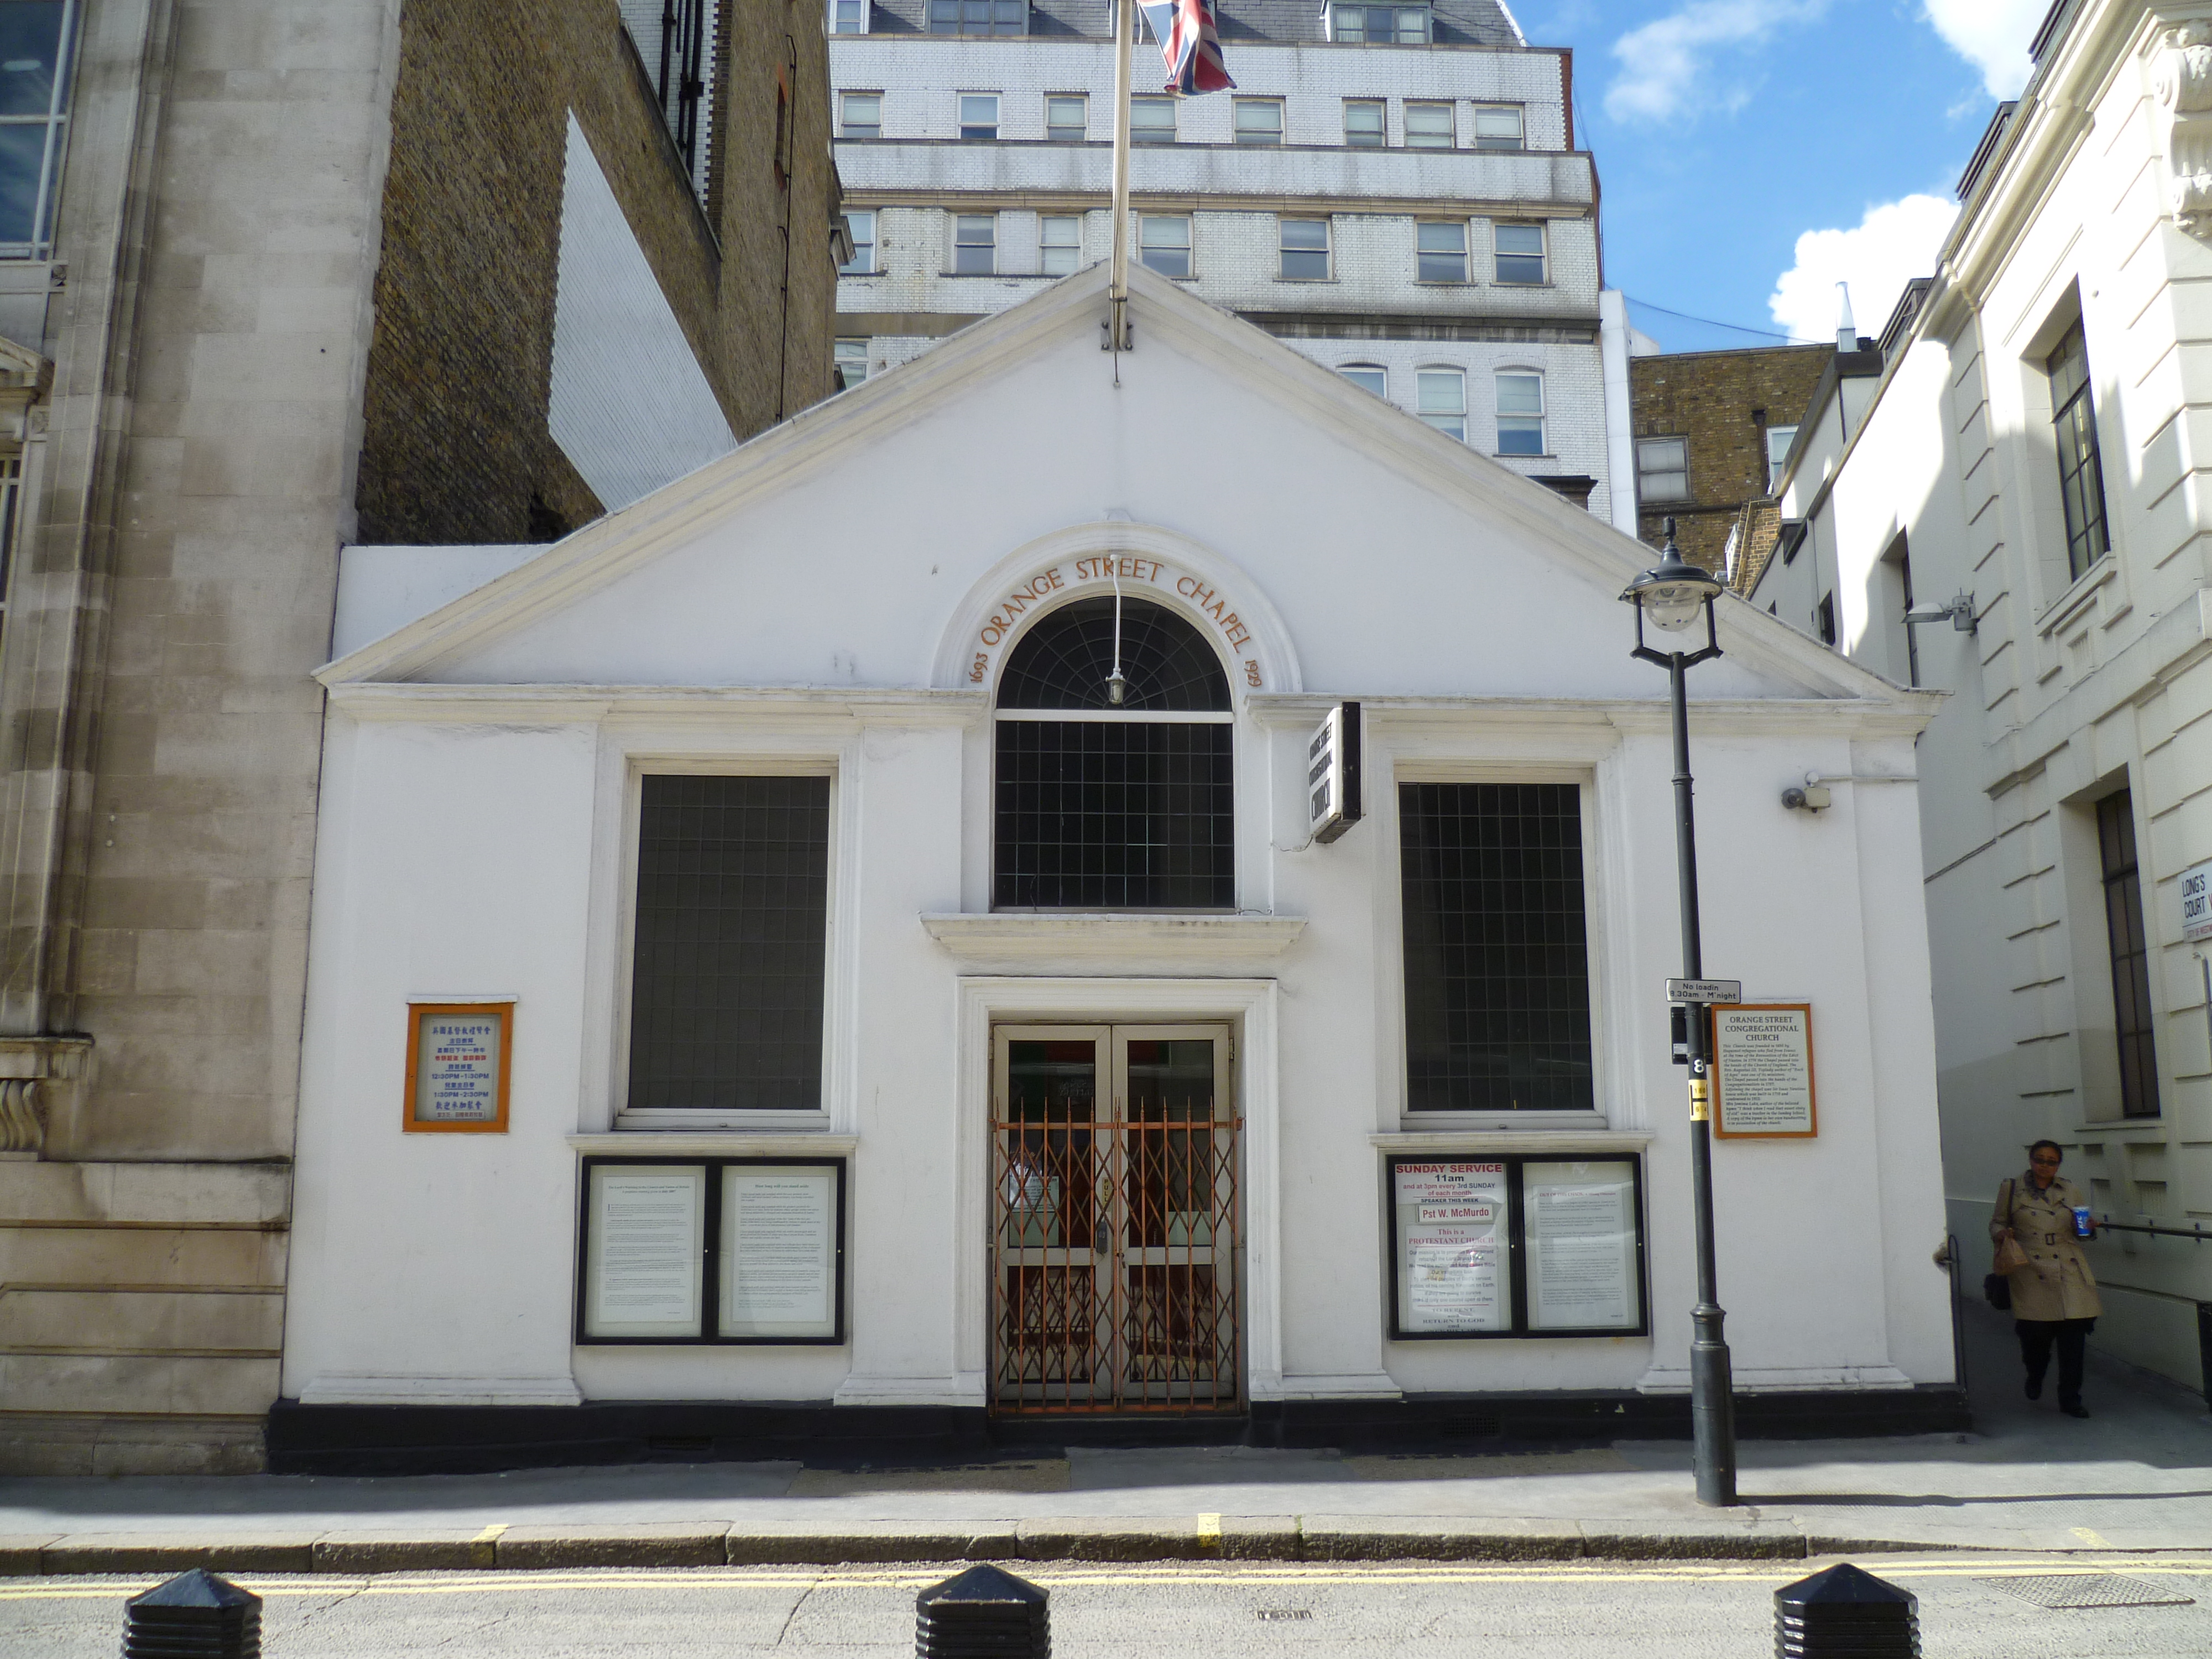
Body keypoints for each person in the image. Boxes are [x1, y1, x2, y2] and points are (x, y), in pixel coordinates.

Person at [1991, 1139, 2101, 1418]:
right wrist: (2001, 1234)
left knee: (2074, 1340)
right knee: (2035, 1337)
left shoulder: (2070, 1189)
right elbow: (1997, 1221)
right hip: (2030, 1270)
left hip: (2069, 1268)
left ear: (2058, 1165)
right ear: (2030, 1160)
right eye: (2040, 1160)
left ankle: (2070, 1399)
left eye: (2051, 1162)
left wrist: (2089, 1228)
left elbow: (2081, 1230)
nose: (2045, 1166)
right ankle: (2035, 1374)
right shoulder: (2012, 1188)